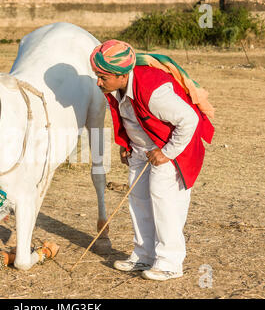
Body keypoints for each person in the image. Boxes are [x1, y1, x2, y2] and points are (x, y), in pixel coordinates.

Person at [90, 39, 214, 281]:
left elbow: (189, 120)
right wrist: (126, 143)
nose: (98, 82)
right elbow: (128, 116)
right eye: (97, 75)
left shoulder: (153, 90)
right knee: (138, 199)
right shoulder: (113, 88)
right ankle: (144, 255)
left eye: (103, 77)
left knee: (163, 200)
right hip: (141, 149)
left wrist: (166, 153)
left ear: (122, 75)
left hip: (172, 149)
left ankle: (169, 262)